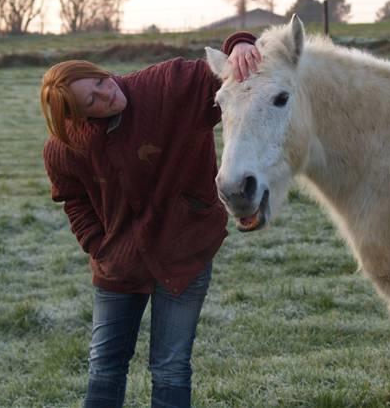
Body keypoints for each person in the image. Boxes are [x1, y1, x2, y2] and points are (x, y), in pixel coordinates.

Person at [40, 32, 260, 408]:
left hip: (185, 251)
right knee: (105, 365)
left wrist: (240, 43)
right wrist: (99, 245)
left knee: (171, 366)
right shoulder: (65, 149)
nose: (106, 93)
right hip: (119, 263)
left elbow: (224, 72)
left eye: (100, 80)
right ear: (77, 117)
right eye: (92, 99)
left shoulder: (169, 85)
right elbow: (73, 201)